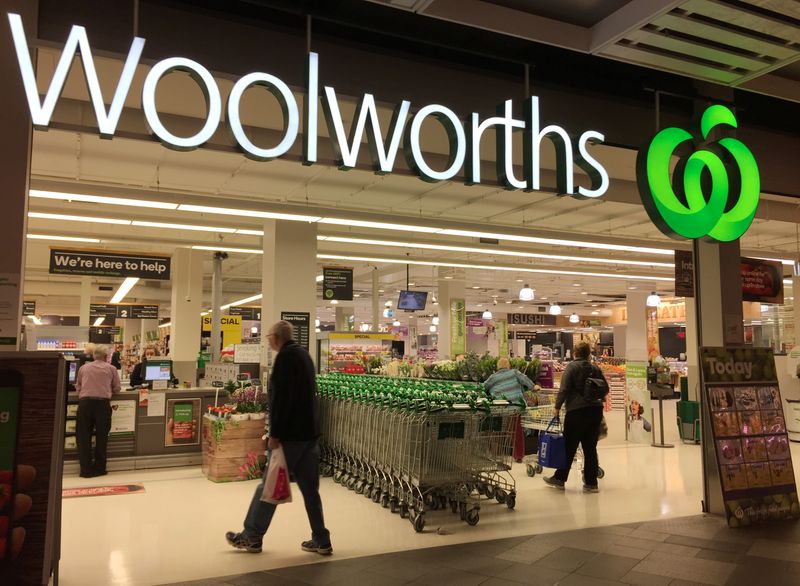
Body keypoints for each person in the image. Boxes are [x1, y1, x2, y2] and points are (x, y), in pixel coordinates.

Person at [226, 321, 331, 555]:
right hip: (309, 435)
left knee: (270, 485)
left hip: (290, 436)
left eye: (268, 338)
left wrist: (275, 434)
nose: (268, 342)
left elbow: (281, 400)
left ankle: (252, 536)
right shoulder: (304, 355)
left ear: (275, 338)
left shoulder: (283, 359)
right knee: (310, 490)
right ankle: (322, 539)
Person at [544, 342, 605, 493]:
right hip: (595, 411)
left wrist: (557, 406)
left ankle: (560, 479)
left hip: (576, 412)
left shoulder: (572, 367)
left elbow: (564, 389)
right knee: (590, 448)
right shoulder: (595, 368)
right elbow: (605, 388)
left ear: (575, 354)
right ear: (588, 354)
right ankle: (591, 483)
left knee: (569, 446)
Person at [75, 345, 121, 478]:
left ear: (93, 356)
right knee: (102, 438)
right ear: (106, 357)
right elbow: (117, 389)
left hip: (85, 404)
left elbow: (78, 386)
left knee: (83, 438)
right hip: (102, 405)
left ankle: (86, 470)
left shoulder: (83, 368)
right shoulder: (111, 369)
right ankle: (100, 468)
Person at [484, 357, 532, 462]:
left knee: (497, 431)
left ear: (498, 367)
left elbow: (484, 387)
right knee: (516, 431)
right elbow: (526, 380)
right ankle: (518, 456)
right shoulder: (514, 373)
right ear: (508, 365)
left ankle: (496, 454)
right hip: (515, 407)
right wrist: (533, 386)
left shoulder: (493, 377)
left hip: (500, 408)